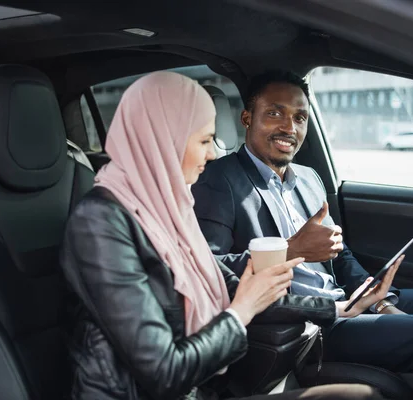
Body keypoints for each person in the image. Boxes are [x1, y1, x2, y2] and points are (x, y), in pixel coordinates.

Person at [59, 71, 392, 400]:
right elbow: (165, 374)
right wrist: (240, 314)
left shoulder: (168, 212)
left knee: (360, 396)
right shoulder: (100, 222)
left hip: (205, 388)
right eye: (204, 141)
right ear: (164, 140)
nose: (212, 154)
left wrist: (338, 308)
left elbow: (235, 286)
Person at [191, 70, 413, 400]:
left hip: (348, 301)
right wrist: (292, 249)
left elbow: (340, 255)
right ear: (246, 118)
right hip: (306, 323)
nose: (289, 127)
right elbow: (211, 269)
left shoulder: (309, 178)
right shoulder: (218, 180)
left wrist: (376, 296)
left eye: (300, 117)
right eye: (274, 113)